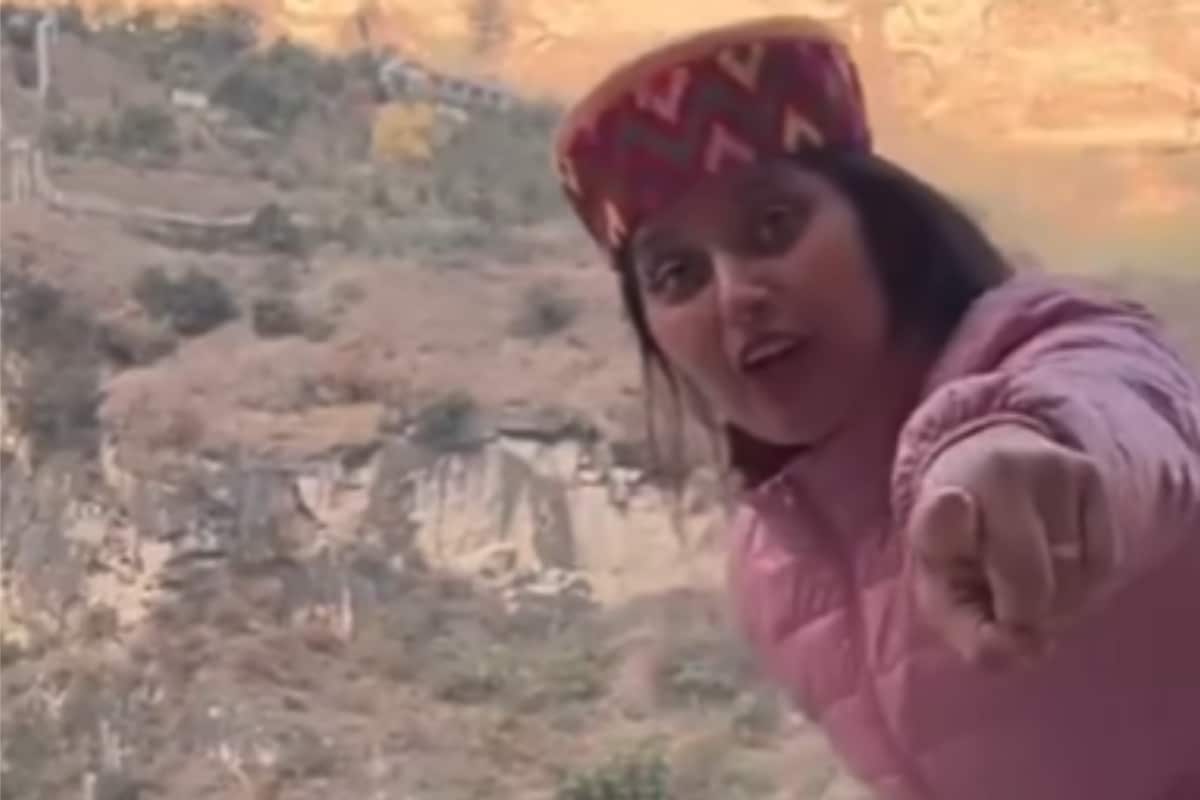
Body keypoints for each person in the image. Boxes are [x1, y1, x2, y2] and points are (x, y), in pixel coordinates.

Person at [549, 16, 1200, 800]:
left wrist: (1017, 452)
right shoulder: (770, 566)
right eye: (677, 275)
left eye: (774, 226)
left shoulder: (1043, 340)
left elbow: (1127, 409)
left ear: (879, 225)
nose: (736, 294)